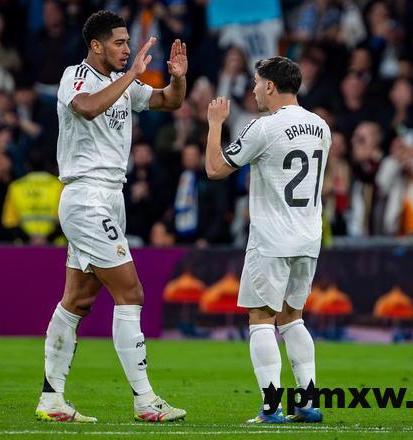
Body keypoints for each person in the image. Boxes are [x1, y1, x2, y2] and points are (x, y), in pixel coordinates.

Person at [35, 10, 188, 423]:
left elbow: (169, 101)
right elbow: (86, 108)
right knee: (131, 292)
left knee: (77, 301)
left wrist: (177, 78)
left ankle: (51, 398)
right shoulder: (75, 76)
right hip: (86, 197)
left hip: (110, 197)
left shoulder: (123, 83)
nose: (126, 49)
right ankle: (145, 400)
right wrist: (132, 74)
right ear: (96, 45)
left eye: (127, 42)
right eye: (119, 43)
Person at [205, 56, 330, 424]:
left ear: (271, 86)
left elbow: (214, 169)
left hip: (272, 238)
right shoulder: (321, 126)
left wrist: (215, 124)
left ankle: (272, 407)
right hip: (308, 237)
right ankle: (307, 402)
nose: (254, 89)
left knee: (261, 319)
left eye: (257, 83)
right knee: (293, 318)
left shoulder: (264, 127)